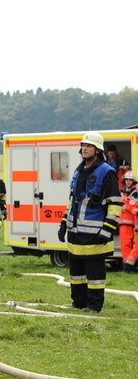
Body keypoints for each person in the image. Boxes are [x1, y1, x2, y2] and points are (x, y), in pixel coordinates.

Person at [57, 132, 121, 313]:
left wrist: (107, 229)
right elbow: (72, 201)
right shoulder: (78, 171)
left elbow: (115, 203)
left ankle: (94, 306)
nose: (84, 148)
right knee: (76, 274)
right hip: (75, 233)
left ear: (98, 150)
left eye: (89, 146)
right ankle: (78, 302)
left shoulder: (107, 172)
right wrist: (63, 223)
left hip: (95, 235)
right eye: (83, 145)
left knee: (95, 275)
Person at [117, 171, 138, 271]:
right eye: (127, 180)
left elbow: (133, 207)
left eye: (130, 180)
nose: (128, 182)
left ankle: (129, 266)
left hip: (132, 223)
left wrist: (127, 205)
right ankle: (127, 266)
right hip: (123, 223)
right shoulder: (122, 192)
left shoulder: (135, 192)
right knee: (124, 245)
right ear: (124, 180)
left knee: (132, 245)